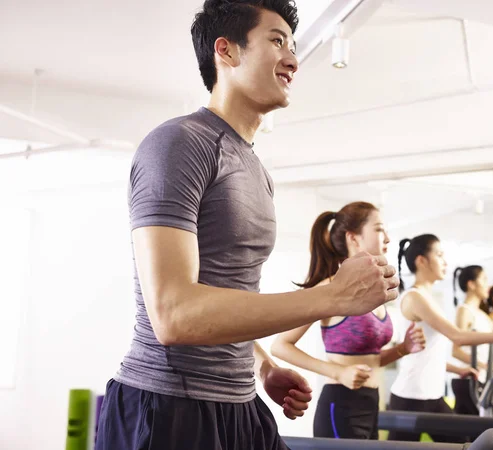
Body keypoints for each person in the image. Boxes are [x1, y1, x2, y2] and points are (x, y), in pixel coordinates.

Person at [95, 2, 400, 450]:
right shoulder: (179, 144)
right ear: (227, 51)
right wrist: (329, 296)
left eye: (293, 46)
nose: (293, 59)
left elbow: (229, 294)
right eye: (277, 41)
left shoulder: (255, 168)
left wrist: (262, 366)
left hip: (240, 403)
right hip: (168, 405)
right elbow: (174, 314)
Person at [271, 202, 426, 440]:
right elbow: (280, 345)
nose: (387, 237)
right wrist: (337, 372)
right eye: (379, 229)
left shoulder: (375, 294)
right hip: (340, 407)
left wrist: (403, 349)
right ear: (354, 238)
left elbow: (368, 362)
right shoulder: (331, 289)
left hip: (371, 404)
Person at [387, 235, 493, 442]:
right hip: (411, 397)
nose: (445, 261)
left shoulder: (427, 298)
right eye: (438, 255)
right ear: (421, 261)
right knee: (462, 443)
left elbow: (429, 353)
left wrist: (458, 369)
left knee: (462, 443)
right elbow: (458, 337)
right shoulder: (415, 297)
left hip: (431, 395)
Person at [451, 266, 493, 416]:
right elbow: (456, 351)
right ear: (471, 284)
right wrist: (486, 365)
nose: (488, 285)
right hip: (468, 381)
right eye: (484, 279)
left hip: (481, 379)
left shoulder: (481, 314)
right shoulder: (464, 310)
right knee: (478, 430)